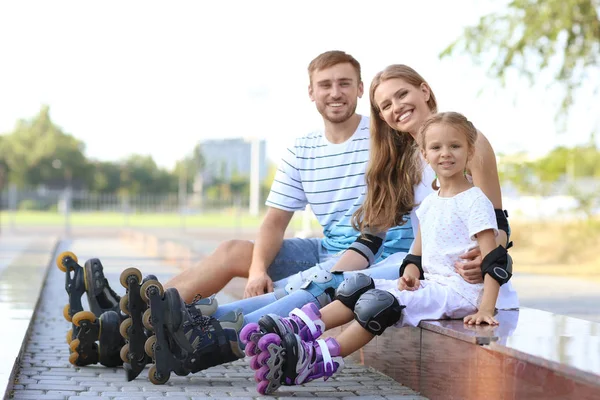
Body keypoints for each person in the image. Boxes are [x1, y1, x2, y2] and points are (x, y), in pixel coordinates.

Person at [129, 64, 517, 385]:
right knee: (327, 280)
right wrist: (352, 264)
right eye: (385, 105)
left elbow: (495, 223)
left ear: (425, 90)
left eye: (402, 95)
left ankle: (213, 335)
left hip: (458, 280)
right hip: (417, 269)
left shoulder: (465, 141)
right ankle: (192, 324)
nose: (396, 107)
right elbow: (389, 232)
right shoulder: (406, 155)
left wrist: (481, 258)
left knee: (336, 285)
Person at [247, 111, 515, 395]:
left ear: (470, 151)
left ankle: (317, 358)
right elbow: (416, 256)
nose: (445, 154)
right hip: (435, 285)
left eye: (455, 146)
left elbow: (493, 259)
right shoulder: (430, 203)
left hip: (462, 293)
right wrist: (410, 274)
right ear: (424, 154)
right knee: (357, 285)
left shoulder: (474, 200)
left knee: (379, 303)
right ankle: (298, 326)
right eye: (436, 147)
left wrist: (486, 308)